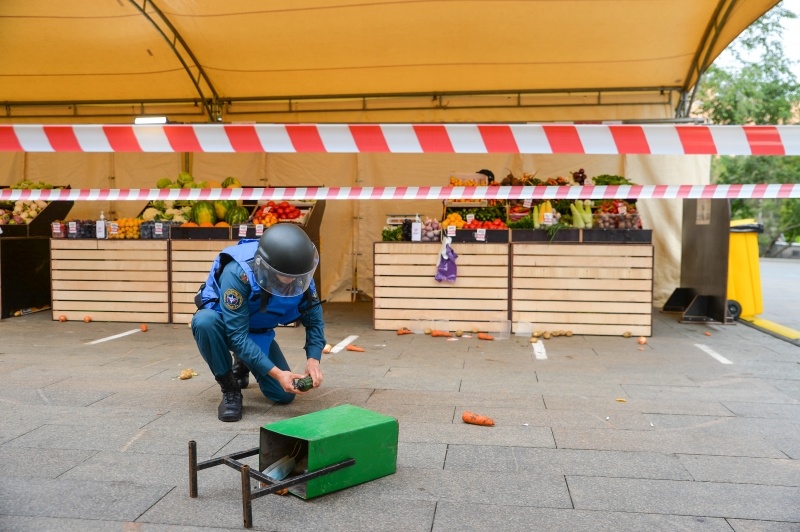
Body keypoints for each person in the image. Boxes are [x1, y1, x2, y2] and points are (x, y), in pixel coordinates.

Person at [191, 223, 325, 422]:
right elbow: (237, 335)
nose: (291, 281)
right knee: (204, 321)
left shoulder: (300, 274)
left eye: (295, 277)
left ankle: (245, 362)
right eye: (284, 276)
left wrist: (313, 360)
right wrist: (279, 374)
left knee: (284, 396)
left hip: (258, 331)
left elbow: (314, 321)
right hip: (227, 327)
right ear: (265, 266)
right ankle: (230, 388)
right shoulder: (238, 272)